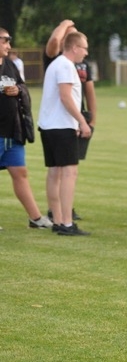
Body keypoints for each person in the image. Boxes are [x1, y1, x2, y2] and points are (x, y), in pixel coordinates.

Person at [38, 31, 92, 236]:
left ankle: (58, 220)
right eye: (84, 48)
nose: (86, 53)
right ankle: (67, 223)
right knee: (69, 172)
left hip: (49, 126)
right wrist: (82, 122)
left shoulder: (55, 64)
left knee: (55, 173)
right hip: (61, 127)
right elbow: (66, 97)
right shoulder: (66, 66)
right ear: (75, 48)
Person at [0, 28, 54, 230]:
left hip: (12, 132)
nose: (9, 46)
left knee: (20, 173)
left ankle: (35, 218)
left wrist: (17, 90)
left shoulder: (10, 65)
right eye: (5, 41)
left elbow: (23, 87)